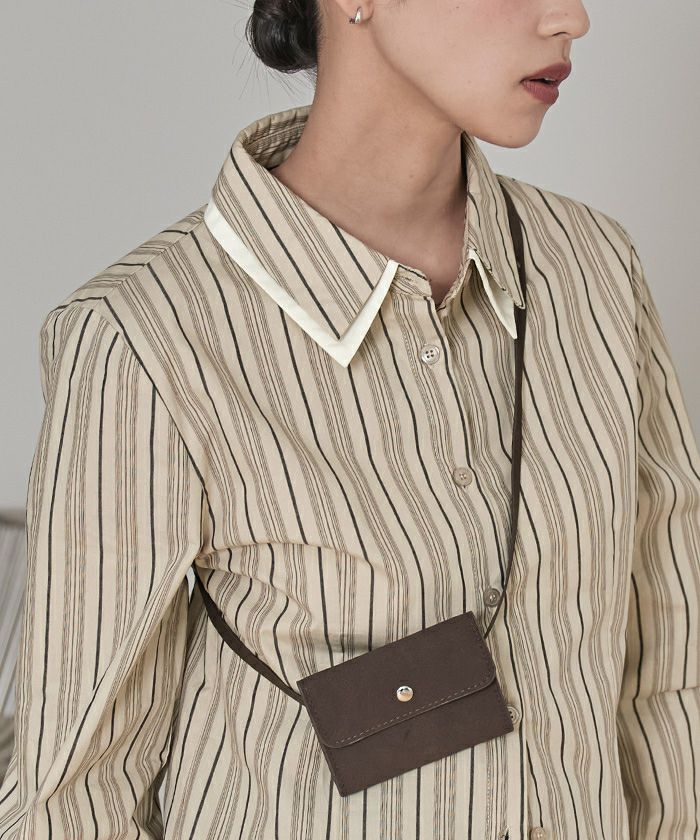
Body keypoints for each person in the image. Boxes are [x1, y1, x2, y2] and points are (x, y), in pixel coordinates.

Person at [0, 0, 698, 837]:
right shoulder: (144, 336)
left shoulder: (597, 271)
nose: (572, 18)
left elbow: (668, 677)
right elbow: (75, 793)